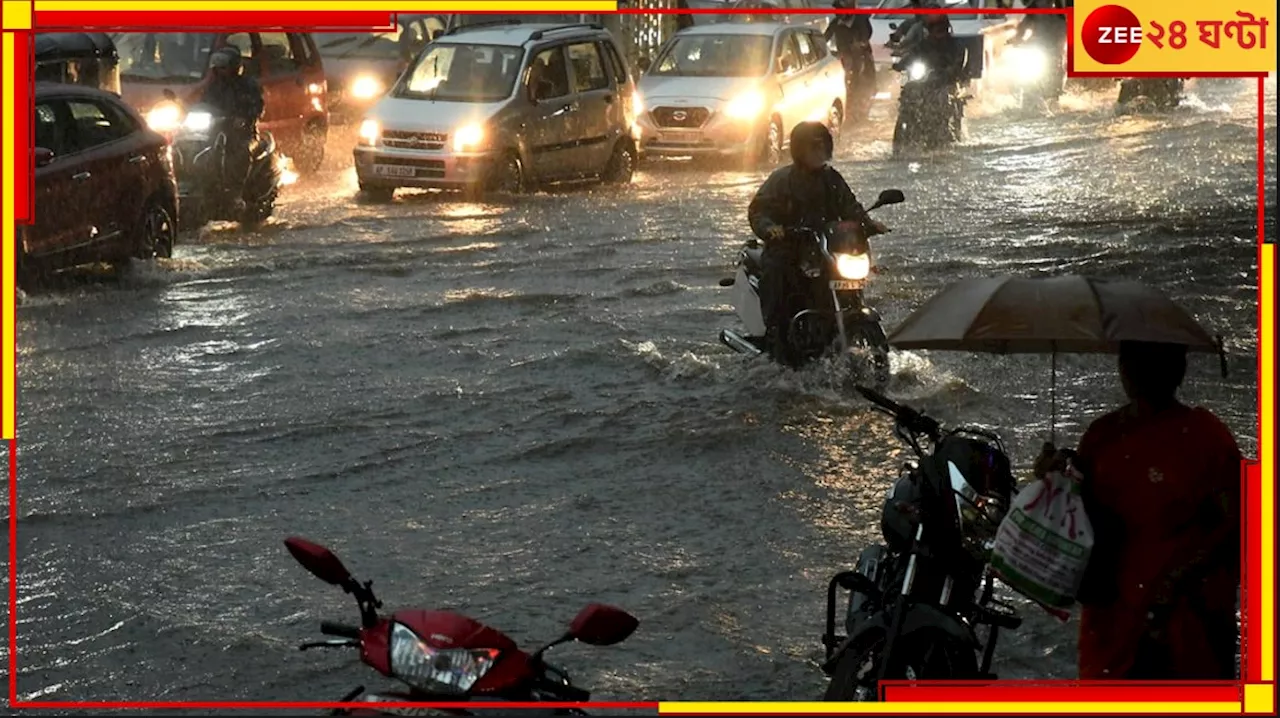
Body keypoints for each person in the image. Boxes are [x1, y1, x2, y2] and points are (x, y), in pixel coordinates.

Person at [1034, 340, 1242, 680]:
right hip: (1118, 623)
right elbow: (1074, 509)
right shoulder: (1103, 437)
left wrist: (1175, 581)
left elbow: (1236, 526)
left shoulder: (1205, 438)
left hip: (1182, 626)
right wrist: (1051, 474)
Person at [746, 122, 885, 367]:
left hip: (826, 249)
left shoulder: (832, 178)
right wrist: (771, 229)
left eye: (822, 146)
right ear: (800, 150)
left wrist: (869, 223)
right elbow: (759, 210)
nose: (818, 152)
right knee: (778, 274)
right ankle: (778, 341)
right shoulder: (782, 180)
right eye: (813, 148)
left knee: (850, 283)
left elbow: (850, 207)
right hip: (789, 248)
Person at [200, 47, 264, 213]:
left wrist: (244, 118)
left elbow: (257, 107)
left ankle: (237, 193)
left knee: (241, 152)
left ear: (234, 67)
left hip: (243, 133)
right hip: (215, 130)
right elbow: (203, 104)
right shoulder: (213, 87)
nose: (220, 71)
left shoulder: (248, 86)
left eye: (224, 67)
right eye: (217, 67)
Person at [826, 0, 875, 123]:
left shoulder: (860, 20)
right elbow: (824, 38)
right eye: (836, 11)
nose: (838, 13)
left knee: (864, 82)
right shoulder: (836, 23)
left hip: (861, 57)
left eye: (840, 10)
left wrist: (859, 44)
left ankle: (862, 109)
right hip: (844, 58)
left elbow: (866, 35)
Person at [1011, 0, 1067, 97]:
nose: (1044, 3)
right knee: (1024, 73)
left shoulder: (1060, 16)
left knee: (1058, 68)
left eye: (1047, 1)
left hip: (1053, 50)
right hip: (1036, 48)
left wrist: (1060, 45)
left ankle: (1057, 90)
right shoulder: (1031, 15)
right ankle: (1021, 91)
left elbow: (1064, 33)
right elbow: (1022, 29)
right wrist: (1017, 40)